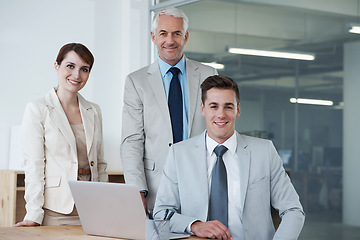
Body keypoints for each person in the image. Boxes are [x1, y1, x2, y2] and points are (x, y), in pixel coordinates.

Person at [153, 75, 305, 239]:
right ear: (203, 109)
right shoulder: (179, 154)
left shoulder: (264, 152)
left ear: (238, 110)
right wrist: (194, 225)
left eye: (228, 106)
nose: (221, 114)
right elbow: (162, 213)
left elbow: (293, 210)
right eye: (214, 106)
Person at [121, 7, 217, 213]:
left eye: (177, 33)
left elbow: (217, 130)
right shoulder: (136, 82)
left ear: (186, 36)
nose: (170, 40)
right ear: (153, 37)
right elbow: (132, 141)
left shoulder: (208, 75)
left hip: (202, 181)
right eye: (163, 33)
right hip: (157, 186)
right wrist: (137, 189)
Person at [15, 43, 108, 227]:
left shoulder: (94, 111)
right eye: (70, 66)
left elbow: (100, 163)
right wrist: (33, 214)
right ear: (57, 66)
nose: (77, 75)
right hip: (56, 211)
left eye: (84, 69)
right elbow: (34, 165)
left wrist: (103, 205)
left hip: (91, 209)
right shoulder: (38, 109)